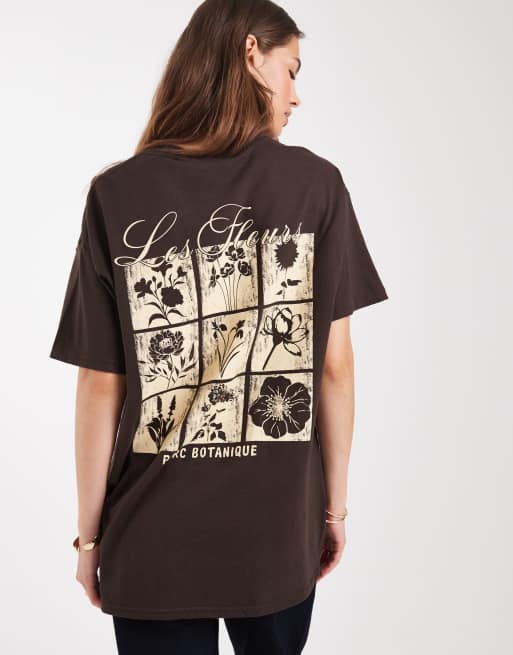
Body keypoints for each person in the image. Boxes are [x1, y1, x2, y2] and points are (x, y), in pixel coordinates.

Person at [49, 1, 389, 653]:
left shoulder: (116, 192)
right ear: (250, 53)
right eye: (291, 70)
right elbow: (334, 366)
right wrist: (332, 510)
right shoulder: (316, 186)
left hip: (151, 535)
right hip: (276, 534)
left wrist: (90, 539)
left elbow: (99, 384)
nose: (296, 95)